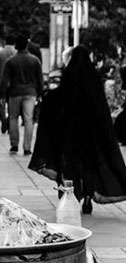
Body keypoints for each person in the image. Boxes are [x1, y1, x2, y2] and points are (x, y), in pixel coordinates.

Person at [29, 45, 126, 213]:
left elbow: (59, 99)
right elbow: (101, 108)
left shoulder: (69, 75)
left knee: (68, 165)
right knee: (88, 165)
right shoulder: (92, 78)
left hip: (68, 134)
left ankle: (70, 194)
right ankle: (88, 196)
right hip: (89, 134)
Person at [2, 34, 43, 155]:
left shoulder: (11, 61)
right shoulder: (35, 60)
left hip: (14, 92)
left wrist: (3, 95)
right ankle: (27, 147)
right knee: (28, 119)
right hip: (30, 92)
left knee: (13, 118)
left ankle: (14, 145)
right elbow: (39, 79)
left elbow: (5, 80)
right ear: (27, 44)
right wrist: (40, 93)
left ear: (16, 45)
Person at [0, 34, 17, 133]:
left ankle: (3, 119)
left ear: (5, 42)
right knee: (12, 104)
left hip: (0, 81)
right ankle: (9, 119)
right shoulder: (16, 53)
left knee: (1, 103)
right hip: (13, 83)